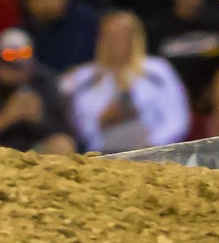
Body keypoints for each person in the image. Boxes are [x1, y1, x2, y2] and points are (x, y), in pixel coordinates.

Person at [57, 10, 190, 152]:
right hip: (102, 154)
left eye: (122, 35)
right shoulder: (83, 77)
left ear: (134, 37)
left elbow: (177, 119)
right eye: (109, 35)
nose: (115, 42)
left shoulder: (157, 70)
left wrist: (152, 144)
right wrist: (101, 122)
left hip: (153, 151)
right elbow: (75, 124)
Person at [0, 26, 76, 152]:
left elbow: (69, 133)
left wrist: (41, 118)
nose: (16, 73)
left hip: (36, 152)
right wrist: (5, 117)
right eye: (10, 66)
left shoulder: (44, 83)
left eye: (21, 66)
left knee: (62, 144)